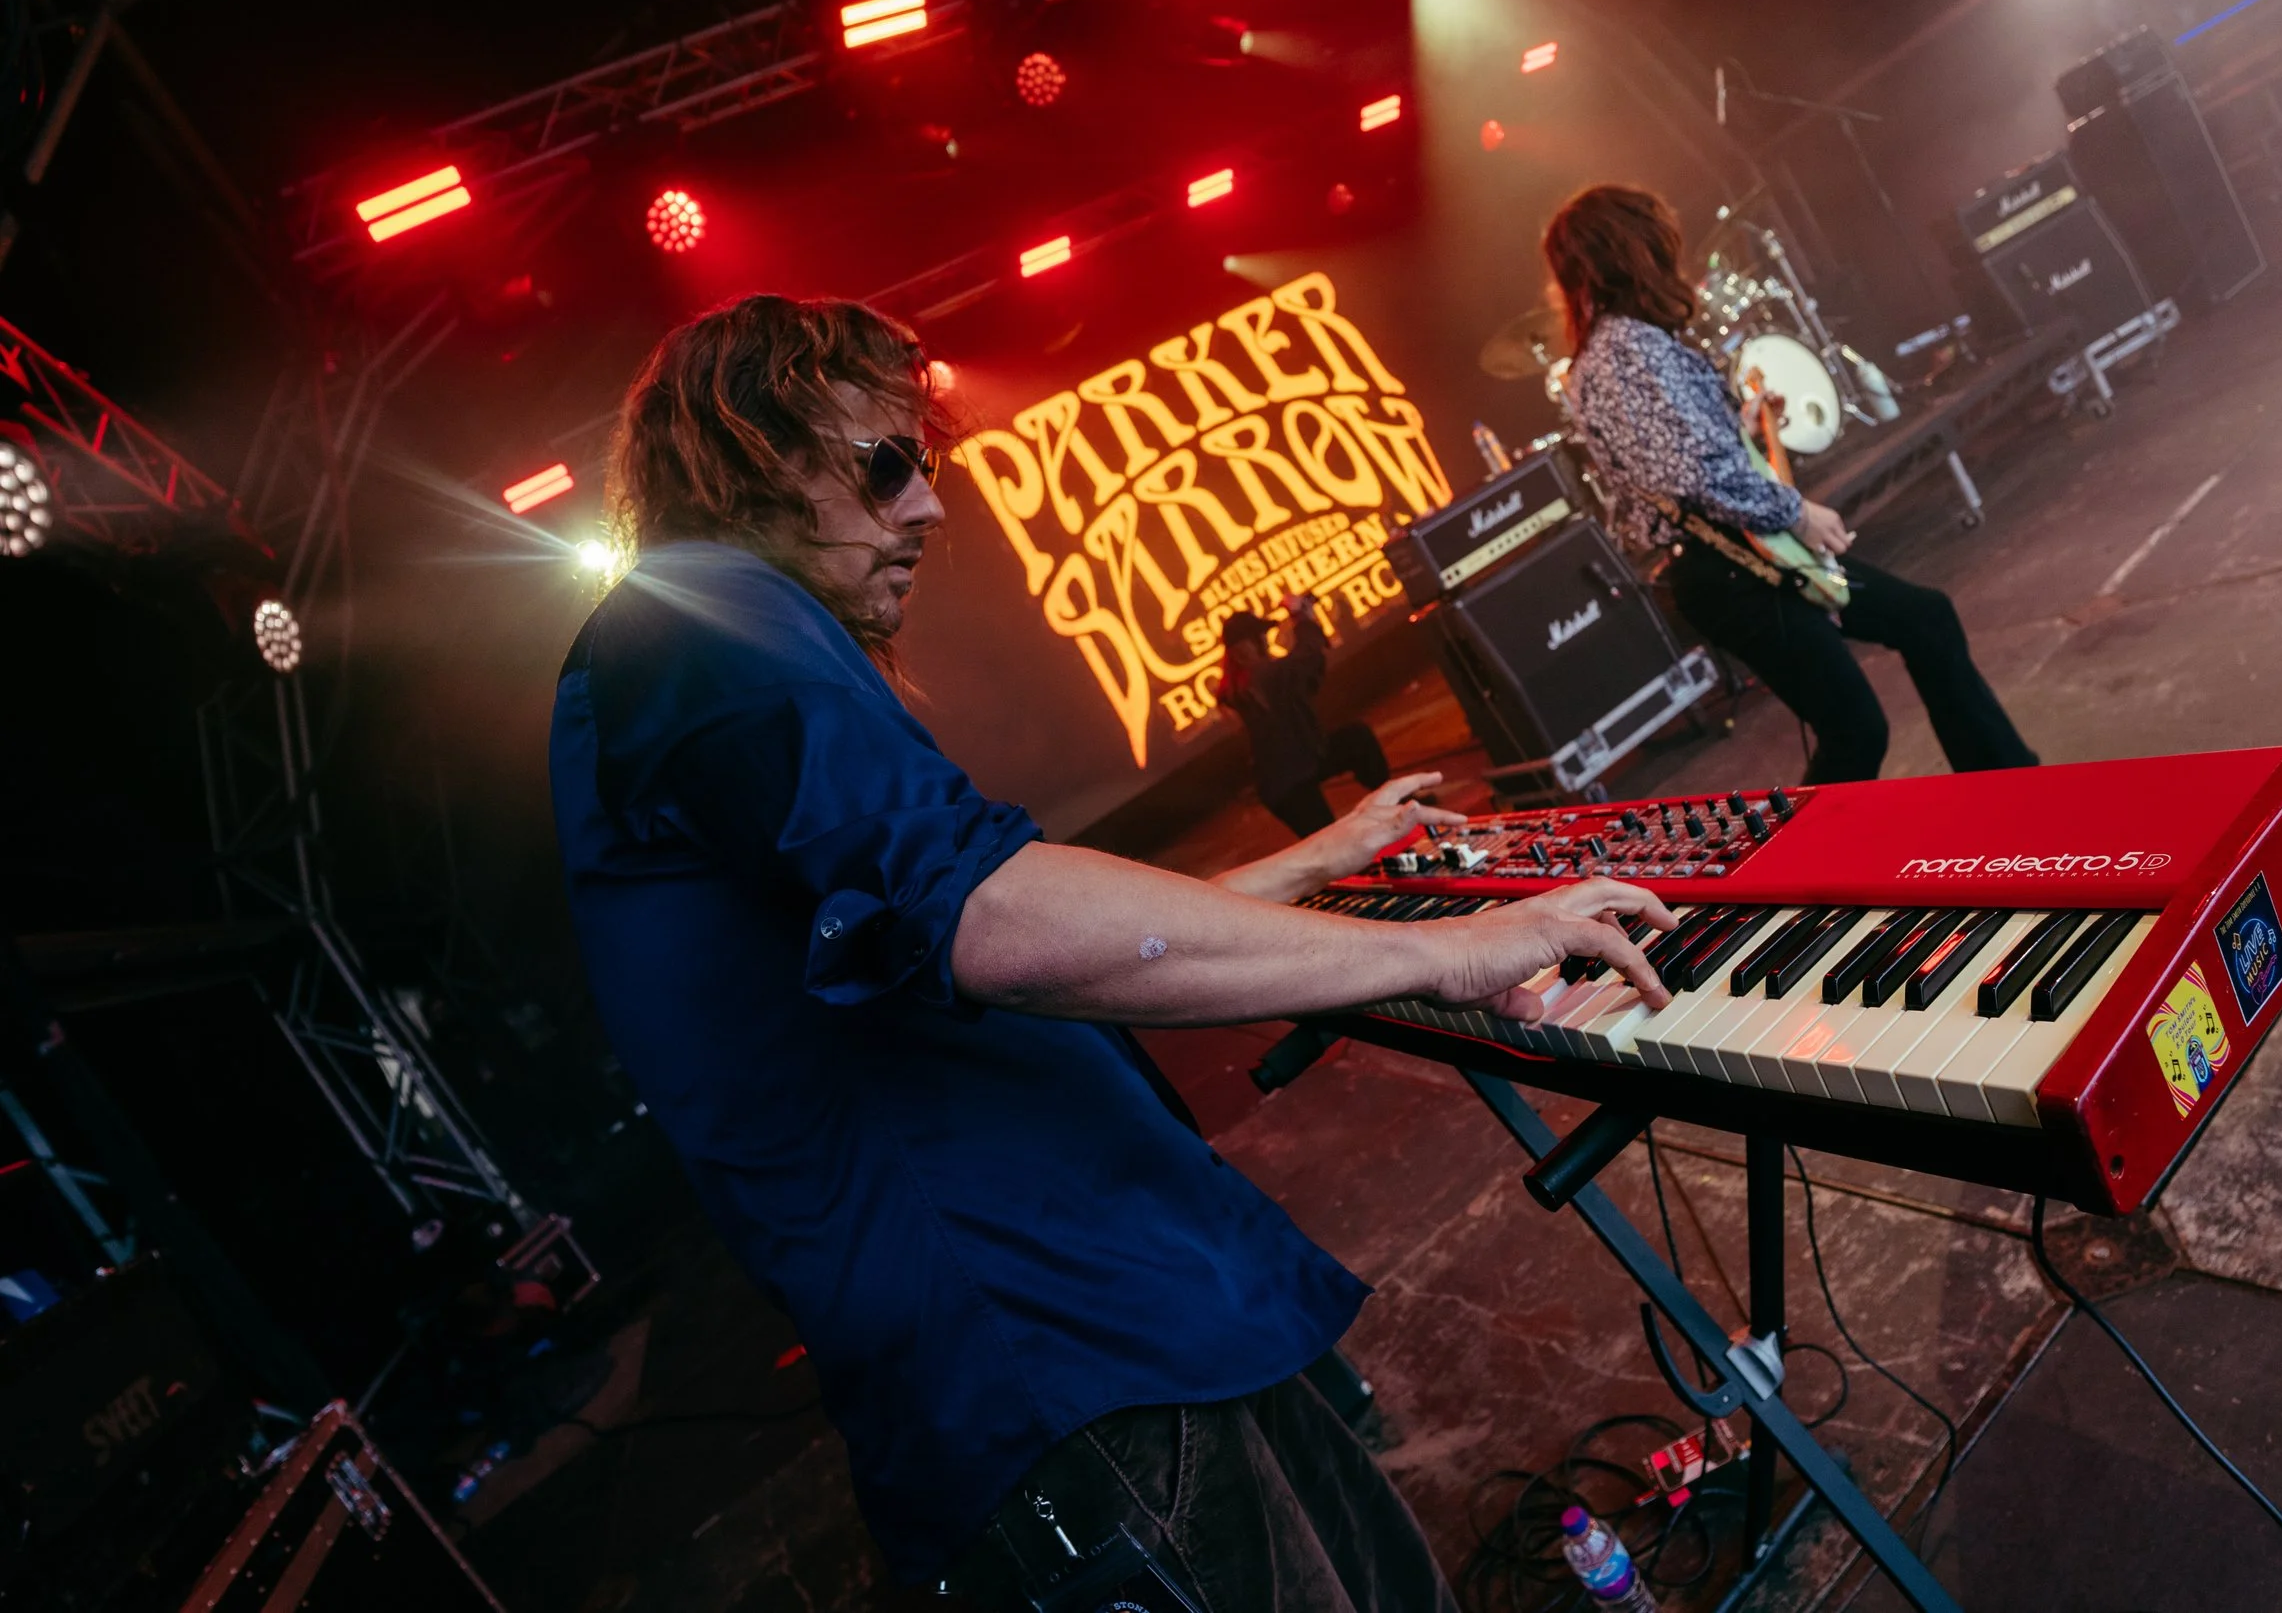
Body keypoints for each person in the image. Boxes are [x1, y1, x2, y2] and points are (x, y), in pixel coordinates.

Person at [549, 293, 1676, 1612]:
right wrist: (1455, 949)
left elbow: (985, 937)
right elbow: (992, 921)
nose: (927, 509)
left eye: (929, 464)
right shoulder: (696, 621)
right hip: (1047, 1338)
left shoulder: (714, 638)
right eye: (884, 464)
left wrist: (1304, 867)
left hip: (1115, 1309)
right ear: (748, 456)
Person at [1542, 184, 2038, 785]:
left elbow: (1686, 456)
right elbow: (1692, 476)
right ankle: (1813, 867)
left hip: (1741, 555)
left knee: (1922, 622)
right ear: (1634, 251)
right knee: (1855, 728)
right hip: (1730, 565)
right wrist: (1797, 512)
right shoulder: (1627, 351)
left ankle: (2010, 789)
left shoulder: (1619, 348)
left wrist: (1741, 426)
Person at [1215, 591, 1392, 838]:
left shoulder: (1245, 681)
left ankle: (1394, 805)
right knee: (1332, 849)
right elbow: (1305, 658)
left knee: (1357, 739)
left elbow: (1304, 678)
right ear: (1248, 645)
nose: (1266, 641)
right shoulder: (1258, 678)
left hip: (1304, 762)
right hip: (1288, 785)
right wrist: (1301, 616)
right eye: (1261, 637)